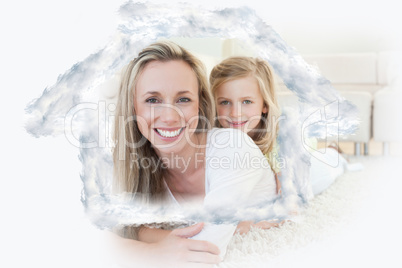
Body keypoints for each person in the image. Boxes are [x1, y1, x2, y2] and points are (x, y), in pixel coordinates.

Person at [110, 42, 278, 267]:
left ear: (200, 104)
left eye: (183, 99)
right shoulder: (131, 163)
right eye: (152, 100)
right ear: (132, 107)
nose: (169, 117)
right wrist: (143, 235)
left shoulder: (234, 146)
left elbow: (206, 249)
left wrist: (143, 239)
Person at [209, 56, 362, 202]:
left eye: (247, 101)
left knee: (324, 170)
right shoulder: (216, 137)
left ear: (264, 105)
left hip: (300, 150)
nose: (235, 113)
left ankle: (334, 153)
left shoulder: (282, 136)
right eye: (225, 102)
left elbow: (288, 204)